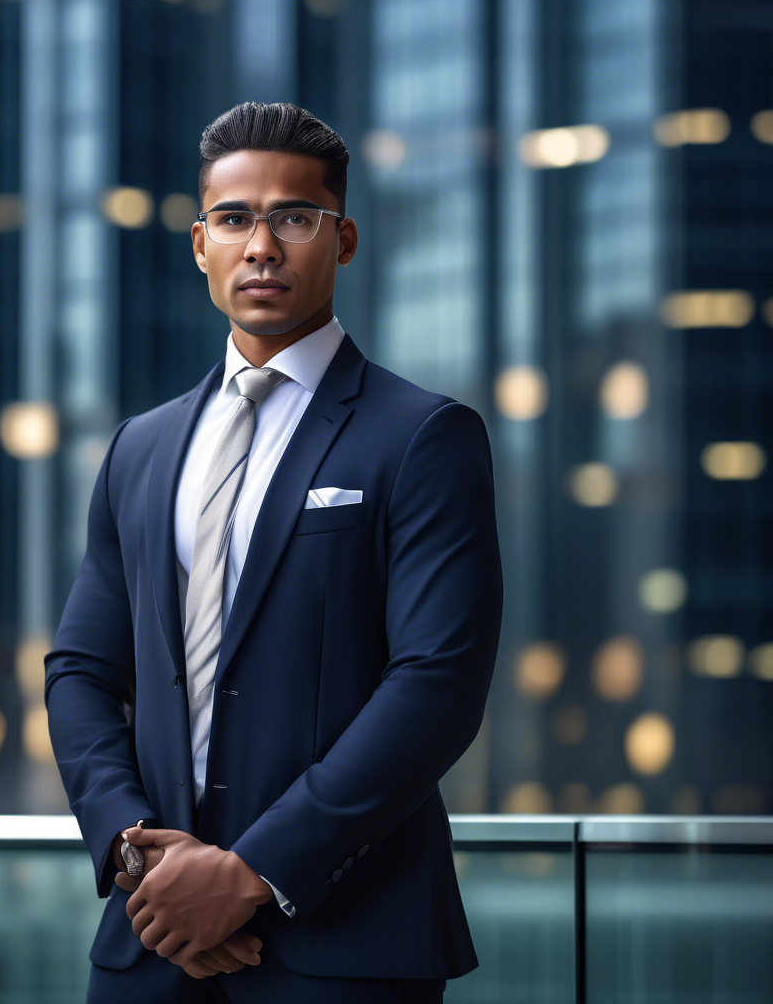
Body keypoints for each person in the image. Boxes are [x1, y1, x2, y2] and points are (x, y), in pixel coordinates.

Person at [45, 101, 504, 1004]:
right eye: (235, 219)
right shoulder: (141, 445)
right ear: (199, 243)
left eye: (295, 217)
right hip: (154, 939)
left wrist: (251, 873)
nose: (263, 245)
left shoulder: (422, 436)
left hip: (346, 941)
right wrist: (136, 849)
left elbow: (436, 685)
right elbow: (81, 669)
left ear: (344, 240)